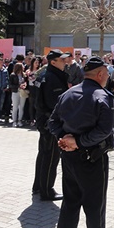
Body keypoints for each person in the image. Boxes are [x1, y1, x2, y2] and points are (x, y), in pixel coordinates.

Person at [48, 56, 114, 228]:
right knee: (95, 208)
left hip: (70, 158)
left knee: (70, 202)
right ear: (100, 74)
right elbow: (103, 131)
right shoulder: (103, 97)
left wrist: (67, 139)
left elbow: (52, 123)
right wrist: (78, 142)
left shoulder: (68, 94)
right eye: (107, 73)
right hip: (92, 159)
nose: (108, 77)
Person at [33, 49, 69, 201]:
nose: (65, 62)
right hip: (50, 123)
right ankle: (47, 190)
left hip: (44, 121)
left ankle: (38, 186)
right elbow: (55, 105)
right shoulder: (52, 78)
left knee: (43, 154)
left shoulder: (45, 76)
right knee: (51, 157)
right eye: (62, 60)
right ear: (53, 62)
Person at [10, 62, 28, 127]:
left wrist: (25, 85)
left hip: (22, 92)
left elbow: (26, 82)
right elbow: (10, 85)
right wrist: (18, 86)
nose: (23, 67)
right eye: (22, 66)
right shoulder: (13, 75)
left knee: (21, 107)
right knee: (15, 107)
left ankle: (20, 120)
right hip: (15, 92)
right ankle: (14, 121)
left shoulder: (24, 75)